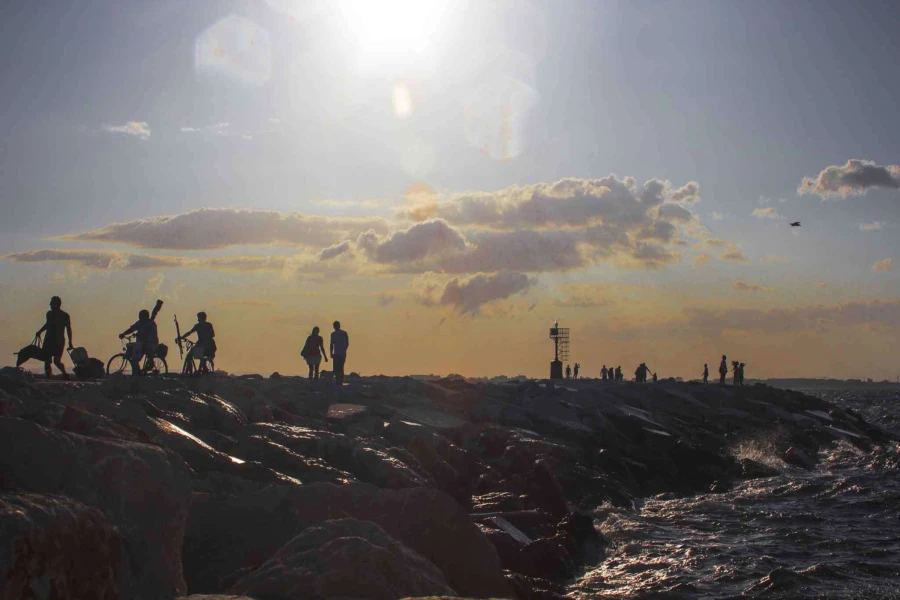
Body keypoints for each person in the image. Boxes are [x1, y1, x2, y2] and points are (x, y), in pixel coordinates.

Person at [119, 299, 163, 376]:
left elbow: (146, 333)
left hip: (150, 344)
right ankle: (138, 371)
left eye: (140, 316)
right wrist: (123, 333)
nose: (139, 317)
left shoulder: (149, 323)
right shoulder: (141, 322)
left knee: (136, 356)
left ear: (144, 316)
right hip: (143, 344)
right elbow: (131, 329)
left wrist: (139, 334)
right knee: (134, 355)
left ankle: (141, 370)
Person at [35, 296, 73, 379]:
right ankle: (49, 377)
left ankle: (64, 374)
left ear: (57, 304)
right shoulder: (49, 314)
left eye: (51, 303)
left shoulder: (65, 315)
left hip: (58, 341)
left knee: (56, 361)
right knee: (47, 360)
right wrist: (40, 331)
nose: (50, 305)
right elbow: (48, 324)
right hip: (48, 339)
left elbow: (68, 329)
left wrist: (70, 341)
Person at [330, 320, 350, 386]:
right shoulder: (334, 334)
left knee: (339, 367)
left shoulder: (343, 333)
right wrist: (331, 353)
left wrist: (343, 350)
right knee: (337, 368)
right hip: (338, 353)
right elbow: (332, 344)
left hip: (340, 353)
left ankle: (339, 381)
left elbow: (347, 343)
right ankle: (338, 380)